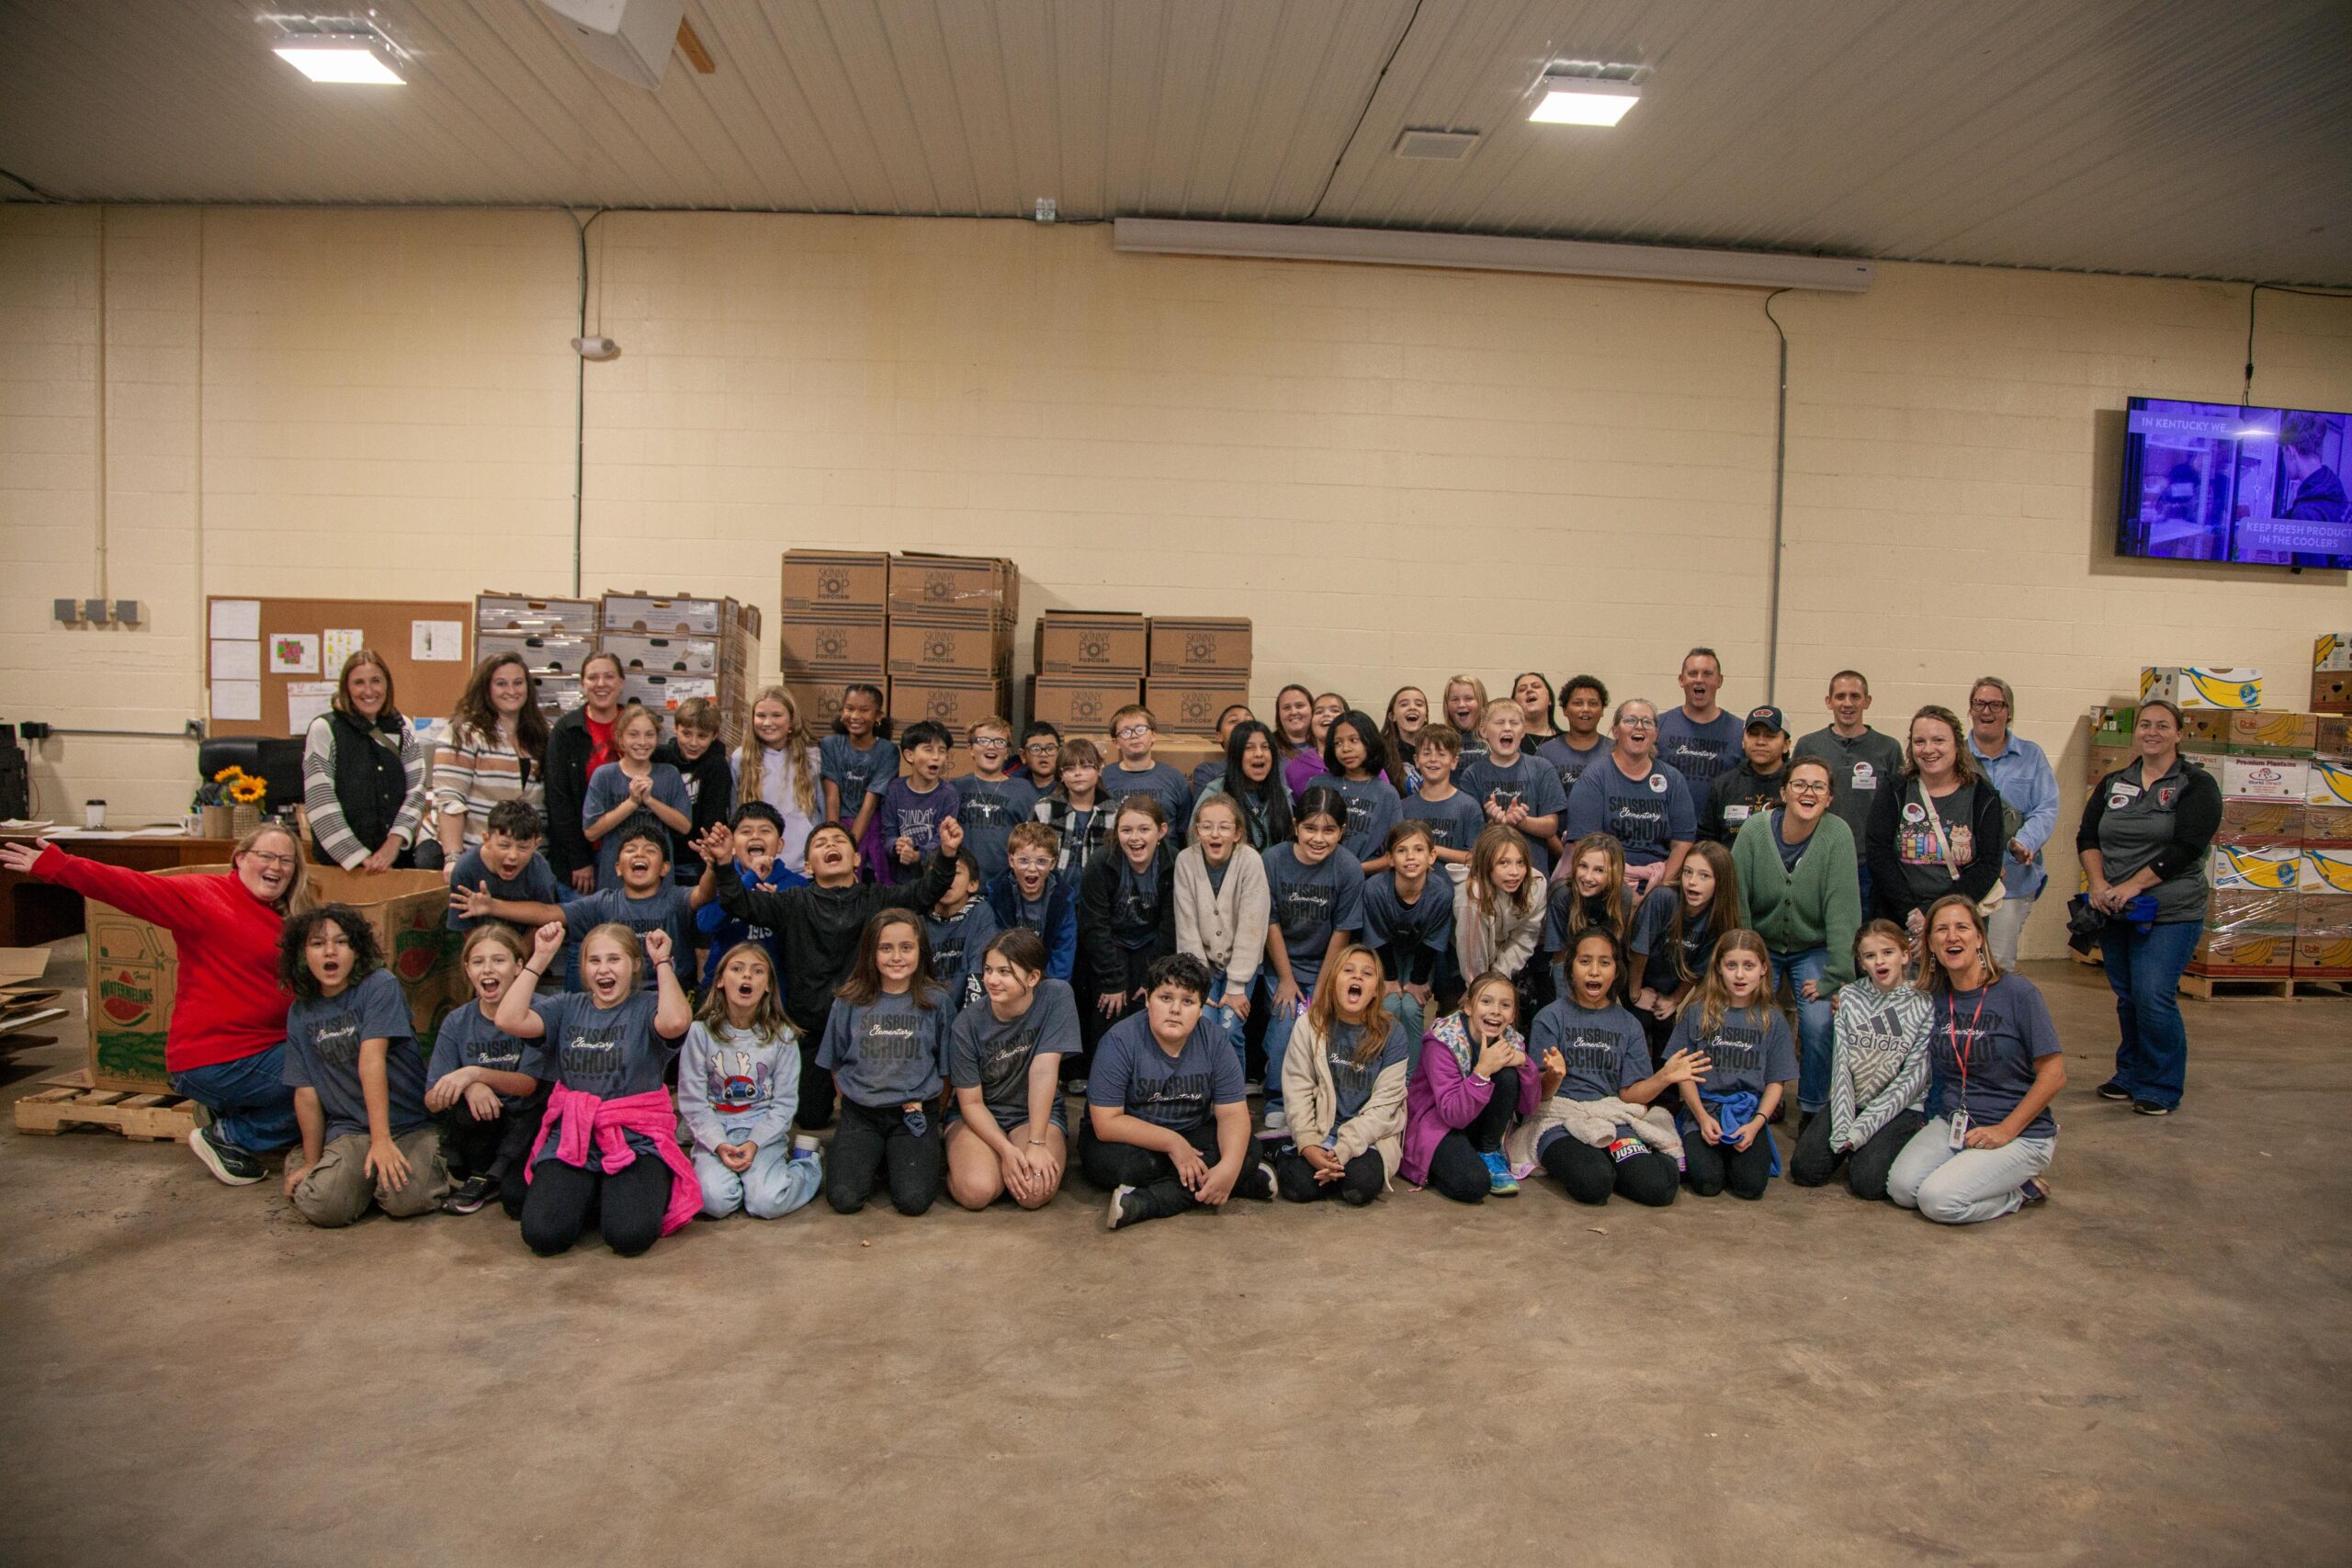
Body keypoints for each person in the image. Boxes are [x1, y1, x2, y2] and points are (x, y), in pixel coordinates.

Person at [1, 825, 308, 1185]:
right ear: (240, 858)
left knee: (326, 1064)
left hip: (260, 1048)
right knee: (325, 1084)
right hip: (219, 1057)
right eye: (266, 856)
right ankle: (231, 1137)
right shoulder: (208, 897)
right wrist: (59, 866)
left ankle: (228, 1109)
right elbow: (131, 887)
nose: (277, 866)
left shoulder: (279, 914)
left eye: (286, 860)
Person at [699, 815, 964, 1130]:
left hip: (867, 1030)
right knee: (810, 1118)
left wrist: (947, 855)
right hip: (809, 1026)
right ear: (808, 867)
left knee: (870, 1111)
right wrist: (725, 864)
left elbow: (924, 893)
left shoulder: (876, 898)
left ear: (855, 859)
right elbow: (738, 903)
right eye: (821, 843)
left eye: (839, 841)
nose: (830, 846)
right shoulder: (792, 902)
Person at [498, 919, 697, 1257]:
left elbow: (677, 1022)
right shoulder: (566, 1006)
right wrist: (540, 957)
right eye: (595, 961)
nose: (604, 969)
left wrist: (662, 961)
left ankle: (617, 1193)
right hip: (574, 1137)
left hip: (635, 1140)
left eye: (614, 959)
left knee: (629, 1237)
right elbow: (509, 1019)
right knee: (544, 1237)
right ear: (584, 968)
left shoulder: (647, 1005)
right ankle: (592, 1193)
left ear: (634, 965)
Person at [2077, 697, 2221, 1116]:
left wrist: (2133, 886)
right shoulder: (2114, 782)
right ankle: (2131, 1073)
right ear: (2135, 732)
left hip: (2171, 910)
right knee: (2127, 994)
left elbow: (2188, 846)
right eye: (2144, 725)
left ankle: (2160, 1085)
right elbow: (2087, 837)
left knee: (2153, 993)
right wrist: (2100, 885)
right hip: (2116, 908)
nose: (2152, 732)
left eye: (2162, 725)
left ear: (2179, 734)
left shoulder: (2196, 784)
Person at [1887, 896, 2063, 1224]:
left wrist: (2006, 1130)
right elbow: (1884, 1003)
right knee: (1901, 1189)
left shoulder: (2018, 994)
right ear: (1931, 945)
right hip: (1956, 1122)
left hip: (2017, 1131)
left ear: (1979, 938)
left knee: (1938, 1201)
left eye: (1962, 927)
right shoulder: (1932, 998)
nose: (1952, 936)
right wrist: (1849, 999)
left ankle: (2022, 1190)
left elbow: (2054, 1075)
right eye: (1941, 930)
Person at [277, 904, 449, 1225]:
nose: (330, 951)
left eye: (341, 942)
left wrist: (382, 1140)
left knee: (406, 1200)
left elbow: (371, 1061)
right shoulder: (300, 1012)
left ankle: (366, 1180)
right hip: (352, 1129)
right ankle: (334, 1172)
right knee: (324, 1207)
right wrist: (312, 1161)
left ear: (356, 949)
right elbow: (306, 1091)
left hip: (406, 1124)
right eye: (317, 944)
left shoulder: (379, 985)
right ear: (302, 955)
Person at [1081, 953, 1277, 1230]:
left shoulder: (1216, 1041)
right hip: (1129, 1138)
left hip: (1191, 1130)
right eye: (1165, 998)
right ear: (1148, 999)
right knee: (1133, 1165)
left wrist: (1230, 1166)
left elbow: (1233, 1114)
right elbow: (1106, 1123)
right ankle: (1235, 1184)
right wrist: (1173, 1144)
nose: (1175, 1009)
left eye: (1187, 1001)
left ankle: (1146, 1202)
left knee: (1247, 1148)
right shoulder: (1119, 1041)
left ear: (1201, 1008)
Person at [1519, 927, 1703, 1207]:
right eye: (1585, 962)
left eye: (1604, 963)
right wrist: (1554, 1076)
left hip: (1611, 1118)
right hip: (1559, 1121)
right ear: (1571, 970)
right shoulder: (1550, 1018)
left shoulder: (1629, 1024)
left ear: (1616, 971)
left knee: (1658, 1189)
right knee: (1595, 1184)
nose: (1594, 971)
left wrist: (1664, 1077)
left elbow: (1630, 1095)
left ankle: (1627, 1158)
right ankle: (1600, 1162)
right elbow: (1539, 1096)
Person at [1733, 756, 1860, 1122]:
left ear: (1830, 798)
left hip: (1813, 947)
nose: (1809, 793)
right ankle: (1757, 1097)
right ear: (1784, 791)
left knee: (1820, 1023)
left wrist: (1835, 978)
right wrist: (1745, 961)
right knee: (1750, 1017)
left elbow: (1843, 912)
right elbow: (1738, 900)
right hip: (1760, 945)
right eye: (1800, 785)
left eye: (1819, 786)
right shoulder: (1754, 832)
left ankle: (1813, 1107)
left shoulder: (1837, 836)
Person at [816, 908, 953, 1216]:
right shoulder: (848, 1001)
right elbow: (835, 1063)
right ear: (870, 952)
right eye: (885, 948)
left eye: (906, 947)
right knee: (844, 1199)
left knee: (914, 1201)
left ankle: (898, 1156)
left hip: (914, 1112)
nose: (896, 957)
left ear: (921, 951)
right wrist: (851, 1103)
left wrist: (935, 1113)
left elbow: (946, 1070)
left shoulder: (937, 1001)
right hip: (861, 1114)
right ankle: (872, 1155)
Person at [678, 942, 820, 1221]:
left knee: (765, 1204)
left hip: (762, 1130)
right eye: (737, 969)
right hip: (715, 1129)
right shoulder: (699, 1032)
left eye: (757, 971)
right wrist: (719, 1144)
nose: (747, 977)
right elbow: (692, 1102)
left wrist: (755, 1143)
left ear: (768, 985)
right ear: (720, 980)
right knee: (712, 1201)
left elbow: (784, 1104)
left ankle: (807, 1163)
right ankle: (740, 1180)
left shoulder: (783, 1037)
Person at [1790, 920, 1929, 1199]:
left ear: (1905, 955)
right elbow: (1841, 1068)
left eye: (1888, 952)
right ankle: (1861, 1147)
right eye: (1869, 956)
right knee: (1805, 1170)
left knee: (1867, 1185)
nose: (1880, 961)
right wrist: (1843, 1125)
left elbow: (1913, 1078)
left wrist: (1863, 1129)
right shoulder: (1850, 997)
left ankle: (1880, 1145)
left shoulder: (1923, 1003)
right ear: (1861, 962)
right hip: (1853, 1101)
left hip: (1900, 1106)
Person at [944, 929, 1078, 1211]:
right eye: (989, 970)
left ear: (1033, 977)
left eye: (1005, 972)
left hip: (1033, 1115)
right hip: (980, 1116)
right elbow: (971, 1101)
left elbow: (1044, 1069)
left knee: (1034, 1192)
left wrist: (1037, 1143)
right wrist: (1006, 1151)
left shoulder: (1056, 997)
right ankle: (967, 1165)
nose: (992, 980)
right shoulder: (966, 1024)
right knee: (977, 1192)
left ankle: (1002, 1165)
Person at [1259, 786, 1366, 1133]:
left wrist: (1322, 987)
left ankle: (1317, 1100)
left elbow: (1342, 931)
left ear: (1342, 831)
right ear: (1295, 826)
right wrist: (1287, 979)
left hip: (1328, 968)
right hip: (1282, 965)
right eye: (1310, 828)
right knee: (1286, 1021)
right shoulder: (1272, 861)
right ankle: (1277, 1099)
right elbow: (1270, 922)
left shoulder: (1348, 868)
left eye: (1329, 830)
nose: (1318, 838)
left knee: (1323, 1026)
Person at [1272, 946, 1409, 1207]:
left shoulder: (1393, 1032)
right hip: (1320, 1131)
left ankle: (1331, 1167)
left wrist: (1344, 1149)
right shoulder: (1310, 1024)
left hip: (1368, 1139)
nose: (1357, 977)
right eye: (1348, 971)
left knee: (1359, 1188)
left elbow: (1385, 1105)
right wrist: (1309, 1144)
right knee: (1298, 1187)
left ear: (1376, 991)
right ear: (1333, 981)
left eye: (1367, 974)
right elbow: (1297, 1090)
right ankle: (1280, 1147)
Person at [1666, 930, 1797, 1200]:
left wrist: (1756, 1123)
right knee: (1707, 1184)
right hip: (1703, 1109)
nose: (1740, 975)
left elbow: (1776, 1082)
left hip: (1747, 1114)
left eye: (1748, 966)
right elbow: (1683, 1073)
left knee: (1750, 1187)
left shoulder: (1772, 1019)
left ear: (1762, 969)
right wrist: (1702, 1118)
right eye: (1731, 966)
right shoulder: (1697, 1013)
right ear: (1718, 968)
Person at [424, 924, 541, 1216]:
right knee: (464, 1107)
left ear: (518, 966)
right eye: (478, 962)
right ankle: (482, 1173)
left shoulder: (540, 1010)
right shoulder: (457, 1021)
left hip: (530, 1123)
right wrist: (468, 1085)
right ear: (468, 970)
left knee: (517, 1201)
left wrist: (475, 1073)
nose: (487, 969)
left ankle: (495, 1176)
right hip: (484, 1127)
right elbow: (432, 1100)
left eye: (498, 960)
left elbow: (529, 1085)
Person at [1866, 705, 2006, 940]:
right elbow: (1879, 855)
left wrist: (1935, 915)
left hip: (1959, 922)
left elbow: (1988, 865)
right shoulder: (1894, 789)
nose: (1928, 749)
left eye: (1938, 740)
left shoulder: (1983, 795)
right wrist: (1913, 915)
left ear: (1957, 745)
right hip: (1900, 919)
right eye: (1920, 741)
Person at [1400, 972, 1540, 1201]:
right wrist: (1482, 1072)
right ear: (1468, 1008)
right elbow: (1452, 1115)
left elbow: (1528, 1107)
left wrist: (1525, 1064)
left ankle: (1488, 1151)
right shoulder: (1443, 1042)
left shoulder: (1511, 1041)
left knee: (1507, 1073)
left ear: (1512, 1015)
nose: (1495, 1011)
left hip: (1475, 1121)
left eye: (1505, 1005)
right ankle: (1441, 1163)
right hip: (1438, 1122)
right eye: (1486, 1002)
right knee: (1473, 1184)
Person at [300, 648, 431, 871]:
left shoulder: (403, 728)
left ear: (387, 685)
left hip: (396, 860)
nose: (368, 690)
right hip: (340, 866)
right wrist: (357, 856)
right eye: (359, 683)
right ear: (346, 688)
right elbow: (320, 798)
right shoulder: (325, 729)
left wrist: (393, 844)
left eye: (376, 681)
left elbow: (417, 790)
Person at [1077, 795, 1179, 1077]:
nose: (1135, 838)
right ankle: (1104, 1081)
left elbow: (1170, 925)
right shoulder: (1100, 863)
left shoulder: (1174, 863)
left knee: (1146, 1005)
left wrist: (1153, 977)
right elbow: (1094, 926)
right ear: (1116, 833)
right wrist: (1112, 981)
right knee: (1110, 1008)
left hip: (1152, 945)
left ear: (1162, 831)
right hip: (1111, 945)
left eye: (1144, 829)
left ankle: (1148, 1079)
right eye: (1126, 830)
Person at [1964, 677, 2060, 970]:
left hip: (2013, 882)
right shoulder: (1955, 756)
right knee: (1959, 961)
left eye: (1995, 704)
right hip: (1964, 879)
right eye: (1979, 704)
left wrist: (2025, 842)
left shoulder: (2031, 756)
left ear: (2009, 712)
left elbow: (2046, 807)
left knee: (1998, 964)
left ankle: (1992, 1016)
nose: (1986, 711)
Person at [1173, 793, 1270, 1082]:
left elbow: (1253, 927)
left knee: (1229, 1029)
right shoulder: (1185, 862)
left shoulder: (1250, 861)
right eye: (1207, 826)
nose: (1215, 834)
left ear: (1238, 833)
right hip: (1201, 965)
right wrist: (1198, 981)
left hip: (1241, 966)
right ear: (1197, 830)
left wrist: (1237, 984)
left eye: (1225, 827)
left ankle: (1232, 1100)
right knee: (1200, 1026)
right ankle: (1201, 1097)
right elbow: (1186, 927)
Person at [1564, 699, 1696, 898]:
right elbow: (1585, 844)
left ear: (1655, 735)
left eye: (1647, 722)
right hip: (1606, 881)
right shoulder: (1595, 777)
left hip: (1659, 881)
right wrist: (1623, 892)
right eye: (1630, 720)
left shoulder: (1672, 779)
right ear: (1615, 731)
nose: (1639, 727)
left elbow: (1682, 842)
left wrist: (1660, 889)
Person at [1794, 671, 1903, 911]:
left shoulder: (1888, 748)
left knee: (1863, 934)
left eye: (1855, 696)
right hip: (1817, 858)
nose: (1847, 703)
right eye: (1840, 696)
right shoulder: (1808, 745)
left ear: (1867, 701)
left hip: (1868, 865)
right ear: (1828, 701)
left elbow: (1899, 806)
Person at [431, 651, 549, 868]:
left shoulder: (541, 735)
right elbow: (449, 799)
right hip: (478, 859)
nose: (511, 691)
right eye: (501, 684)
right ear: (486, 688)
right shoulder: (463, 733)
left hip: (530, 863)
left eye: (518, 683)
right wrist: (453, 858)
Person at [1627, 840, 1743, 1061]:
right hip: (1635, 979)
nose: (1692, 882)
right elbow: (1638, 951)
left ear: (1721, 882)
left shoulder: (1719, 917)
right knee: (1640, 1023)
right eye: (1688, 872)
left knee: (1669, 1033)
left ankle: (1668, 1094)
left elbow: (1698, 969)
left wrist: (1674, 1000)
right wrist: (1635, 994)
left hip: (1669, 986)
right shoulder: (1664, 898)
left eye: (1704, 876)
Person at [557, 820, 701, 991]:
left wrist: (716, 865)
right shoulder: (604, 903)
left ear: (665, 868)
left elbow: (704, 894)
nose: (639, 854)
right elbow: (548, 913)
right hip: (619, 996)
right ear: (618, 868)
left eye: (650, 850)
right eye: (631, 850)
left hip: (672, 995)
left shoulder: (676, 898)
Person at [1362, 821, 1452, 1062]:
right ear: (1390, 858)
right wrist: (1389, 979)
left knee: (1411, 1007)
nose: (1410, 857)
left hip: (1420, 955)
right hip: (1384, 953)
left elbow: (1434, 940)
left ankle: (1410, 1081)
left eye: (1419, 850)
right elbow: (1376, 938)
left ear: (1432, 856)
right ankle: (1384, 1071)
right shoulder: (1374, 890)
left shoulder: (1441, 892)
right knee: (1390, 1005)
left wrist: (1418, 981)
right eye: (1402, 850)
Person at [581, 705, 692, 893]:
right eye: (633, 735)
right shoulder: (604, 775)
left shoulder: (669, 774)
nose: (642, 742)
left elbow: (684, 826)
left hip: (660, 884)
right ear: (620, 739)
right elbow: (591, 831)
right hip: (614, 884)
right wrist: (632, 803)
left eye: (649, 735)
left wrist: (650, 801)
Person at [544, 649, 627, 895]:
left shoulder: (637, 726)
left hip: (626, 852)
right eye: (593, 678)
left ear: (621, 683)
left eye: (609, 677)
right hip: (578, 857)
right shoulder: (566, 730)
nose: (601, 684)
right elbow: (558, 799)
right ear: (582, 683)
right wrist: (579, 859)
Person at [1458, 700, 1570, 880]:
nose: (1507, 728)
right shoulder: (1473, 774)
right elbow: (1471, 834)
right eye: (1499, 722)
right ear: (1483, 731)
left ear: (1523, 730)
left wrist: (1521, 821)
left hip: (1533, 875)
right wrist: (1494, 824)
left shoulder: (1541, 768)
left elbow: (1551, 826)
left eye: (1514, 723)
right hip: (1489, 876)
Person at [690, 802, 792, 988]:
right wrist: (749, 878)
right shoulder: (719, 879)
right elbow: (706, 923)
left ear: (779, 844)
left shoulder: (795, 884)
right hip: (721, 989)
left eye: (765, 831)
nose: (755, 836)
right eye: (746, 832)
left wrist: (776, 905)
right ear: (733, 846)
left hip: (775, 991)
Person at [728, 686, 821, 881]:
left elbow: (822, 810)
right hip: (756, 865)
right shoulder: (741, 758)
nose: (768, 722)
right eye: (761, 715)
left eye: (776, 715)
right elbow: (734, 811)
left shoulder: (812, 757)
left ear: (791, 720)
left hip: (803, 867)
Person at [1456, 825, 1545, 1013]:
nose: (1514, 872)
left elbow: (1525, 936)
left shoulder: (1536, 884)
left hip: (1509, 963)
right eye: (1503, 863)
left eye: (1520, 863)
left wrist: (1498, 975)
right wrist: (1478, 990)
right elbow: (1472, 953)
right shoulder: (1472, 895)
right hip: (1465, 963)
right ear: (1486, 865)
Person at [1305, 708, 1404, 867]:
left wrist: (1354, 871)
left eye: (1353, 740)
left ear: (1369, 741)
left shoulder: (1387, 793)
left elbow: (1397, 852)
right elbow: (1301, 838)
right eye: (1338, 743)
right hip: (1319, 875)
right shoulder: (1318, 784)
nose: (1346, 749)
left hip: (1366, 879)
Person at [820, 682, 898, 882]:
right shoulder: (830, 744)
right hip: (837, 824)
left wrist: (849, 848)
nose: (855, 716)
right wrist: (833, 841)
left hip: (870, 830)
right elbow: (832, 797)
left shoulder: (887, 751)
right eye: (849, 708)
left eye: (864, 710)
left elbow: (870, 804)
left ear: (878, 716)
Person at [950, 714, 1041, 885]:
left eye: (999, 742)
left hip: (1008, 885)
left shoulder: (1024, 790)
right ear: (970, 748)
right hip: (962, 885)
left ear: (1007, 752)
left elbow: (1035, 842)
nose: (991, 747)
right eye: (983, 741)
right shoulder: (954, 788)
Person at [658, 696, 734, 889]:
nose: (693, 743)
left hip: (694, 859)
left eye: (702, 736)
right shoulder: (661, 757)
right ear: (675, 728)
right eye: (686, 733)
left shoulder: (717, 765)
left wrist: (707, 845)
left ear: (714, 735)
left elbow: (715, 813)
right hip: (660, 853)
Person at [987, 820, 1078, 982]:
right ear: (1011, 860)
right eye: (1024, 860)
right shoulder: (997, 895)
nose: (1032, 868)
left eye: (1041, 861)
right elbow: (995, 949)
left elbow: (1063, 955)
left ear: (1053, 863)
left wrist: (1049, 990)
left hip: (1047, 981)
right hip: (1008, 979)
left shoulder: (1063, 900)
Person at [878, 719, 961, 885]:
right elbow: (887, 835)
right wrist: (898, 845)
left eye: (942, 751)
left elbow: (941, 840)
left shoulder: (948, 794)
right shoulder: (894, 790)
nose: (936, 757)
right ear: (909, 755)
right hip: (898, 881)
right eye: (928, 750)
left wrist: (917, 855)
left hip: (933, 880)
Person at [1190, 719, 1294, 851]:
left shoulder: (1283, 795)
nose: (1259, 753)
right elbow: (1196, 844)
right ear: (1236, 755)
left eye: (1265, 747)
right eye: (1249, 748)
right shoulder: (1215, 794)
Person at [1700, 705, 1792, 844]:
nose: (1760, 742)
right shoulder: (1724, 785)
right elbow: (1707, 839)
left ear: (1786, 745)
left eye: (1770, 735)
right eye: (1753, 734)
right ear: (1743, 741)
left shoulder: (1797, 785)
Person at [1100, 705, 1194, 838]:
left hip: (1165, 856)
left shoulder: (1175, 778)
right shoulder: (1103, 778)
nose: (1134, 736)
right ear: (1116, 742)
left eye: (1141, 729)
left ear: (1154, 734)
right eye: (1125, 732)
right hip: (1116, 855)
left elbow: (1184, 831)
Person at [1401, 726, 1484, 878]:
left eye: (1441, 754)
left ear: (1454, 762)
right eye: (1426, 753)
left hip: (1457, 892)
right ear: (1416, 760)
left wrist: (1432, 850)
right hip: (1414, 890)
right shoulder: (1403, 807)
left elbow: (1475, 858)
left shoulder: (1468, 807)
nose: (1433, 759)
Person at [924, 849, 1000, 1015]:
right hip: (925, 1017)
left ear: (972, 884)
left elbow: (979, 974)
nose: (946, 877)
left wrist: (966, 1026)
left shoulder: (981, 913)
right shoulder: (918, 916)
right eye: (938, 871)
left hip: (966, 1017)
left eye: (956, 872)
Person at [1657, 648, 1742, 790]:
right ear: (1681, 680)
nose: (1699, 679)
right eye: (1692, 674)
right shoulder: (1658, 725)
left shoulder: (1740, 731)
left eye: (1707, 674)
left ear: (1719, 681)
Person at [1035, 737, 1109, 880]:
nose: (1078, 773)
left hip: (1096, 897)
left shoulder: (1113, 813)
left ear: (1099, 769)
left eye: (1086, 766)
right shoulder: (1044, 809)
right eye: (1069, 768)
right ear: (1061, 775)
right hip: (1053, 894)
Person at [1535, 674, 1609, 794]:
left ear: (1602, 710)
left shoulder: (1615, 751)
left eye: (1593, 703)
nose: (1586, 709)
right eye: (1578, 703)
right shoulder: (1546, 753)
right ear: (1565, 710)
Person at [1283, 693, 1348, 801]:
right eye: (1319, 712)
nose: (1326, 714)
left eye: (1335, 710)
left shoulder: (1364, 763)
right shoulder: (1295, 768)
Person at [1190, 705, 1256, 794]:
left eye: (1248, 721)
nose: (1242, 725)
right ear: (1219, 736)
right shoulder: (1208, 771)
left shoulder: (1267, 768)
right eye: (1234, 721)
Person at [1380, 685, 1432, 791]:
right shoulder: (1381, 749)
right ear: (1392, 716)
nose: (1412, 707)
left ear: (1426, 716)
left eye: (1419, 704)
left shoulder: (1435, 748)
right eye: (1404, 704)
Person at [1270, 684, 1319, 785]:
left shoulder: (1326, 745)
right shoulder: (1268, 747)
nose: (1293, 712)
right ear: (1279, 714)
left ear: (1312, 709)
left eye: (1300, 706)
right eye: (1286, 708)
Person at [1440, 675, 1490, 767]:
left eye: (1469, 698)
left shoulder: (1495, 738)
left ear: (1481, 702)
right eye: (1455, 699)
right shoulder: (1442, 741)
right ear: (1447, 705)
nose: (1461, 704)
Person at [1511, 671, 1561, 744]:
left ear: (1550, 699)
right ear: (1514, 704)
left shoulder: (1568, 741)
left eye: (1536, 686)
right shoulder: (1508, 743)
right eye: (1522, 689)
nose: (1529, 690)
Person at [1015, 720, 1062, 792]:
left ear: (1059, 753)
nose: (1043, 754)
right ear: (1023, 756)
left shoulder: (1071, 787)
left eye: (1050, 748)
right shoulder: (1012, 786)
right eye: (1036, 748)